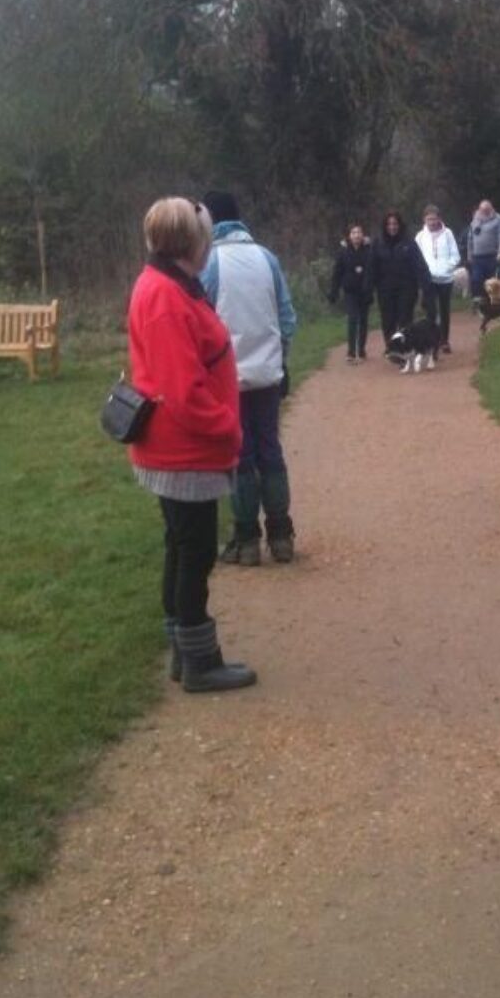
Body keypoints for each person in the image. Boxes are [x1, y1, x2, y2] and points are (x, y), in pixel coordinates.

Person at [126, 197, 256, 693]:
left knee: (182, 548)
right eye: (205, 235)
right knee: (194, 553)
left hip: (181, 448)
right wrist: (229, 427)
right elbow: (182, 391)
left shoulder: (168, 284)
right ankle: (200, 662)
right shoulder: (164, 295)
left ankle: (185, 653)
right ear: (191, 242)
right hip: (185, 451)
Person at [200, 192, 297, 567]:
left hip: (228, 378)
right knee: (270, 448)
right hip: (268, 374)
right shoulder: (266, 258)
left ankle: (247, 539)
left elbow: (203, 322)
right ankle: (281, 534)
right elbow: (287, 318)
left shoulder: (209, 263)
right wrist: (280, 359)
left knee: (240, 454)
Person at [372, 210, 425, 353]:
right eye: (389, 224)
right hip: (385, 289)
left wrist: (424, 285)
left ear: (400, 225)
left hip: (407, 288)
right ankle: (391, 347)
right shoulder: (378, 243)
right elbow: (372, 266)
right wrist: (368, 287)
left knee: (405, 319)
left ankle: (404, 347)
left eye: (395, 224)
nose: (392, 227)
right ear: (385, 226)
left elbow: (419, 264)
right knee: (388, 320)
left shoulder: (409, 242)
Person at [414, 203, 462, 355]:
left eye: (434, 219)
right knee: (431, 312)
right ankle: (431, 341)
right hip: (429, 279)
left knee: (444, 310)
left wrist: (447, 267)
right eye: (429, 219)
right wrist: (423, 273)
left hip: (446, 279)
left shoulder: (448, 234)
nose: (432, 222)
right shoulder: (420, 237)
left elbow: (455, 255)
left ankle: (444, 341)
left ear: (439, 218)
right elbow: (416, 257)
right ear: (424, 220)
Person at [327, 222, 375, 363]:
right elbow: (337, 273)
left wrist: (372, 287)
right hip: (350, 291)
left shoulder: (369, 250)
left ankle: (361, 349)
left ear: (363, 235)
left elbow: (374, 270)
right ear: (349, 236)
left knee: (364, 320)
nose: (357, 235)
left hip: (365, 291)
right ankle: (351, 352)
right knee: (353, 319)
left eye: (359, 232)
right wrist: (333, 292)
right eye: (353, 233)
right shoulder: (343, 252)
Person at [466, 199, 500, 297]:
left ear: (491, 209)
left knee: (493, 282)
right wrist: (469, 255)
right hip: (477, 257)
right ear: (479, 210)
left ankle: (494, 303)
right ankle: (479, 301)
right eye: (482, 210)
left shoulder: (499, 219)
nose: (484, 212)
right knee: (476, 280)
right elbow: (470, 238)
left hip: (493, 256)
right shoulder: (475, 219)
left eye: (487, 210)